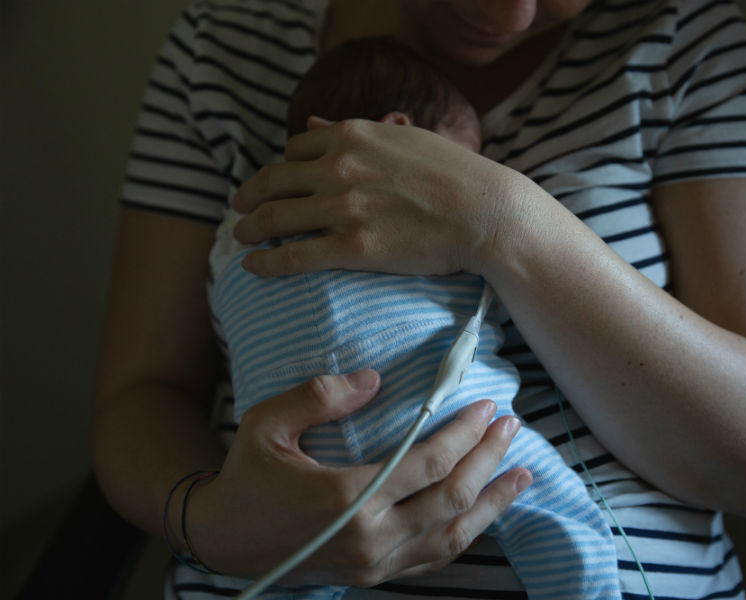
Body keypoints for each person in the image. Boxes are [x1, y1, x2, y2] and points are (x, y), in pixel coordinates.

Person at [92, 1, 746, 599]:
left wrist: (502, 222)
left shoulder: (684, 40)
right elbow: (143, 394)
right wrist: (208, 519)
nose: (508, 14)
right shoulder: (221, 44)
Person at [210, 36, 620, 599]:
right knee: (560, 516)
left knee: (291, 573)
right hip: (438, 417)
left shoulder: (236, 225)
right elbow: (498, 289)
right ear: (401, 131)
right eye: (469, 157)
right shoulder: (411, 217)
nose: (480, 172)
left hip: (291, 459)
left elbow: (226, 313)